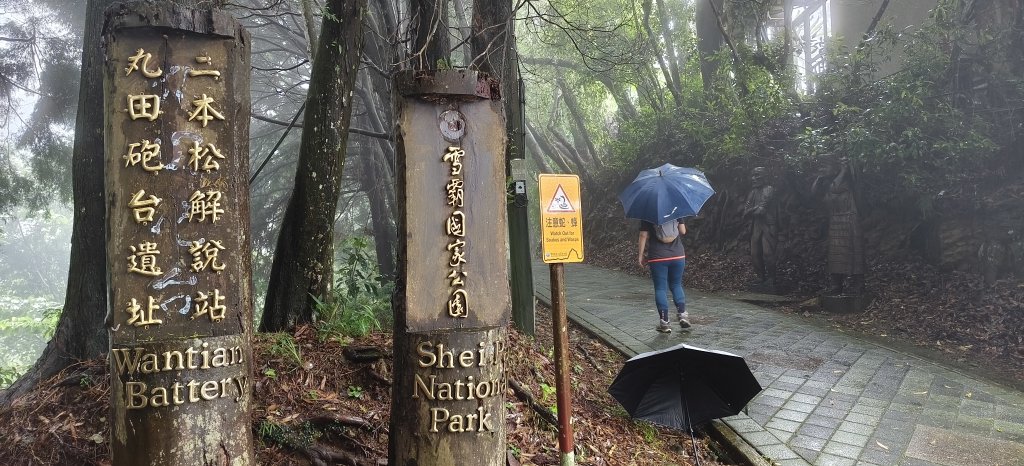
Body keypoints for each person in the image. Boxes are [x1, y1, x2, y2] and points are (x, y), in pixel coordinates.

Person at [813, 159, 866, 295]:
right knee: (835, 254)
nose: (822, 168)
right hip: (836, 220)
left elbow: (835, 187)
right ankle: (836, 284)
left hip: (849, 219)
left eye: (825, 165)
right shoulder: (828, 183)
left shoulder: (845, 181)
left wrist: (843, 170)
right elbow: (814, 194)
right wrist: (819, 178)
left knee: (854, 253)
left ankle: (858, 285)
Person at [638, 218, 689, 332]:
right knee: (676, 285)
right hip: (677, 255)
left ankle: (665, 323)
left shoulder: (647, 213)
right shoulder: (676, 209)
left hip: (657, 256)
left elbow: (643, 235)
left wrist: (640, 255)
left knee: (660, 288)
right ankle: (682, 315)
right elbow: (683, 231)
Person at [742, 167, 779, 291]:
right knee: (755, 254)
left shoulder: (769, 189)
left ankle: (772, 279)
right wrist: (754, 208)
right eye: (753, 176)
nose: (754, 178)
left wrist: (754, 209)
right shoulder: (752, 193)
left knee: (768, 253)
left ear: (764, 177)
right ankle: (761, 278)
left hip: (768, 225)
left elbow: (761, 211)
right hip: (755, 225)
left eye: (757, 175)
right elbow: (745, 213)